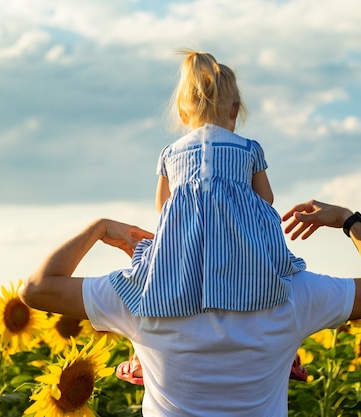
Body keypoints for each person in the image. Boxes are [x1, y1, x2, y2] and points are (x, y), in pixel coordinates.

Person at [19, 199, 361, 416]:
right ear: (258, 228)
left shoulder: (137, 296)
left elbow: (37, 289)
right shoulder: (295, 294)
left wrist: (100, 228)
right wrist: (349, 221)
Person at [111, 50, 306, 383]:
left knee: (146, 281)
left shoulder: (170, 154)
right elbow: (267, 199)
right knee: (280, 280)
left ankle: (142, 355)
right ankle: (286, 353)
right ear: (234, 109)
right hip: (240, 247)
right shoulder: (248, 149)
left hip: (185, 248)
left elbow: (162, 206)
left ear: (184, 112)